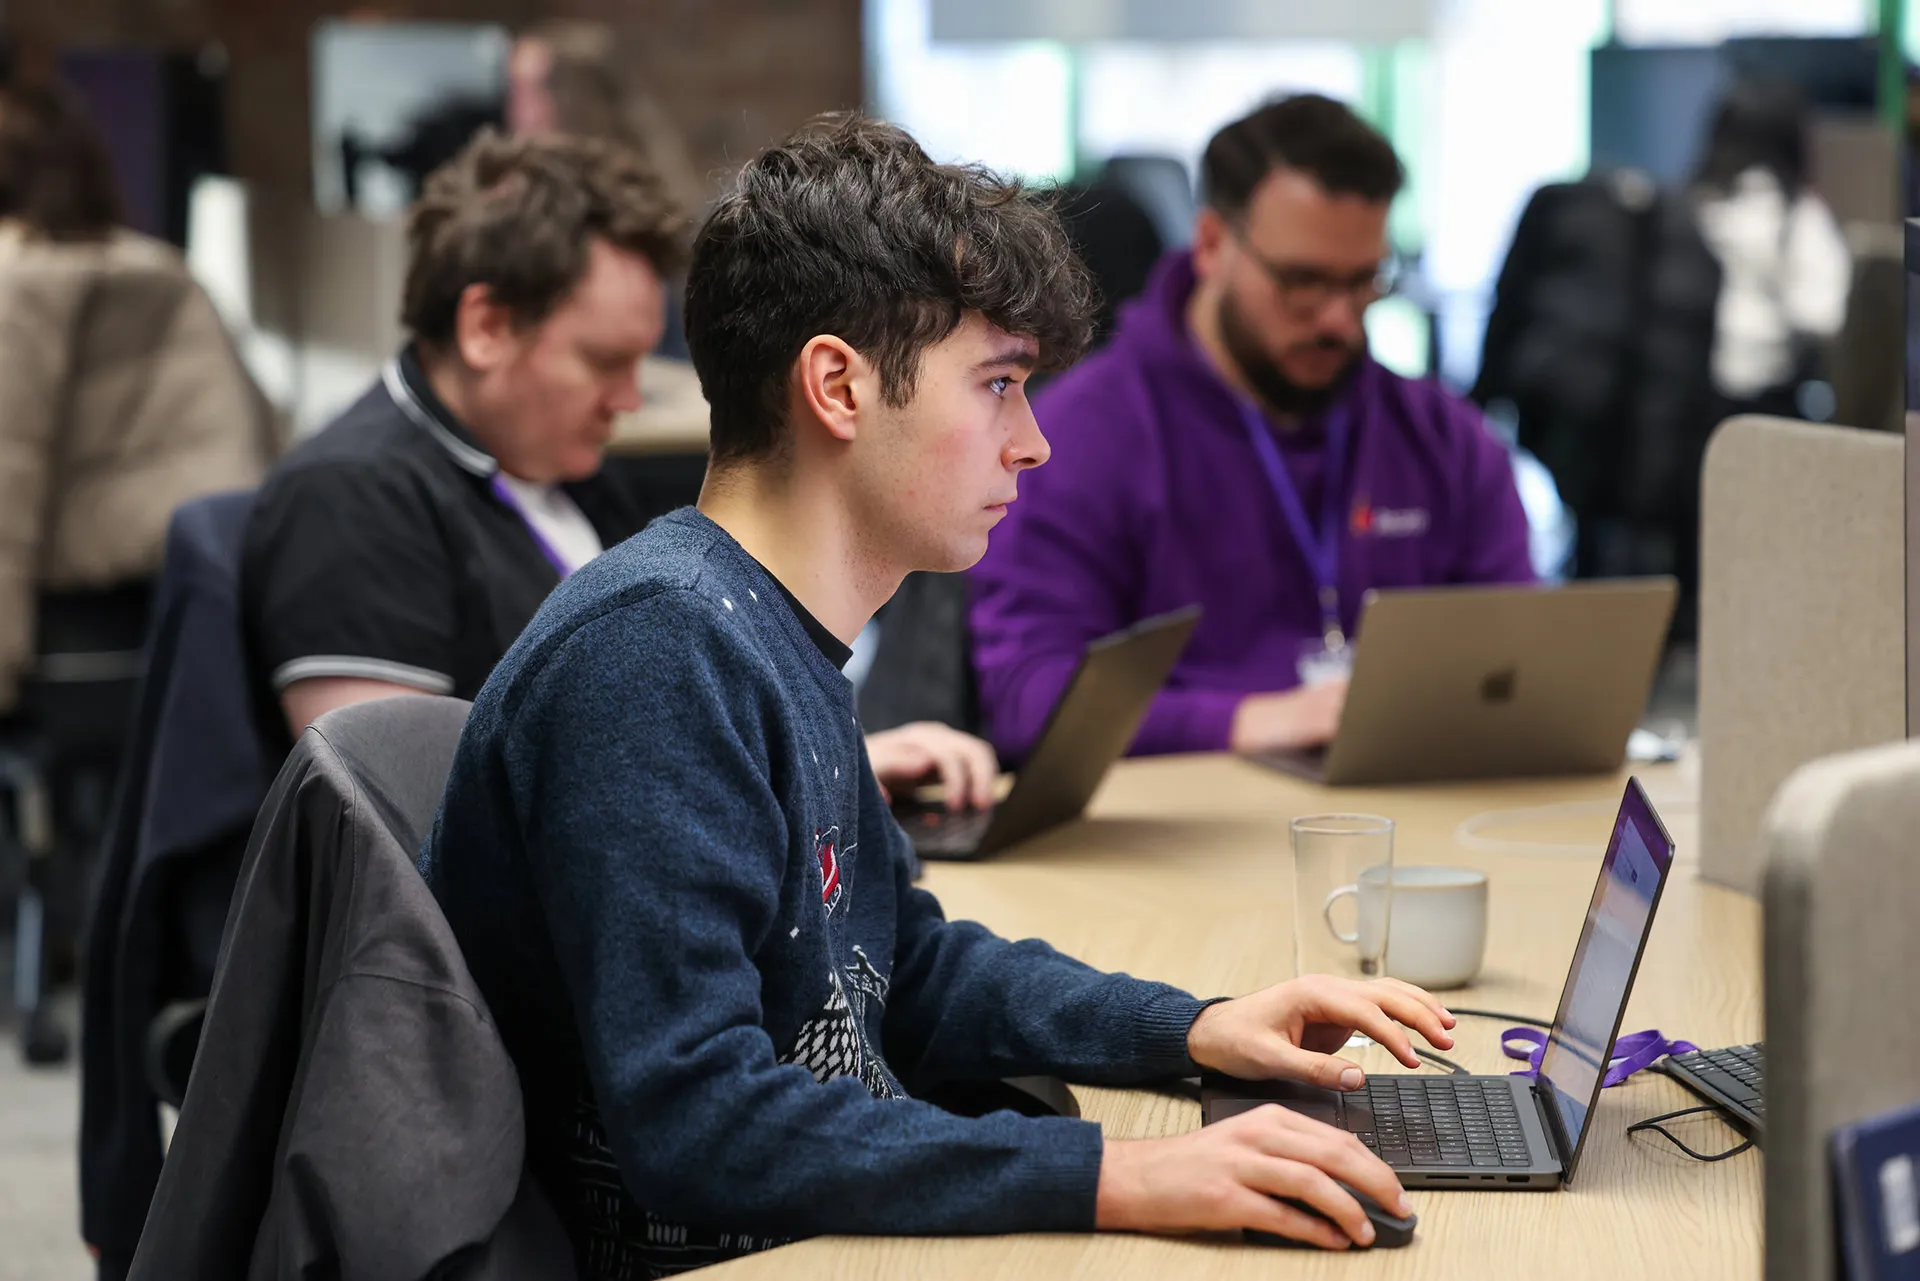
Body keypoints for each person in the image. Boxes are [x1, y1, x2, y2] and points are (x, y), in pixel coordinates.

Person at [418, 113, 1457, 1275]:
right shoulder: (656, 657)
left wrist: (1192, 1027)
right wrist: (1124, 1174)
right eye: (1000, 385)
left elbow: (903, 967)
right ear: (838, 387)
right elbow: (699, 1123)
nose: (1035, 446)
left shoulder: (768, 633)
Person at [240, 129, 992, 804]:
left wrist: (831, 763)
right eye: (604, 362)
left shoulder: (566, 476)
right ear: (486, 326)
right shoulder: (351, 499)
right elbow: (392, 809)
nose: (630, 399)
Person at [969, 94, 1536, 762]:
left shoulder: (1442, 440)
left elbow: (1520, 668)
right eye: (1302, 282)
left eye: (1363, 283)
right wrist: (1249, 721)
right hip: (1182, 825)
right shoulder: (1081, 437)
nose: (1338, 321)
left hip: (1400, 823)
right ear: (1212, 244)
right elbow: (1031, 700)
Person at [0, 80, 272, 715]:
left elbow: (5, 483)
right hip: (186, 608)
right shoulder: (158, 266)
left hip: (60, 625)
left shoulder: (16, 282)